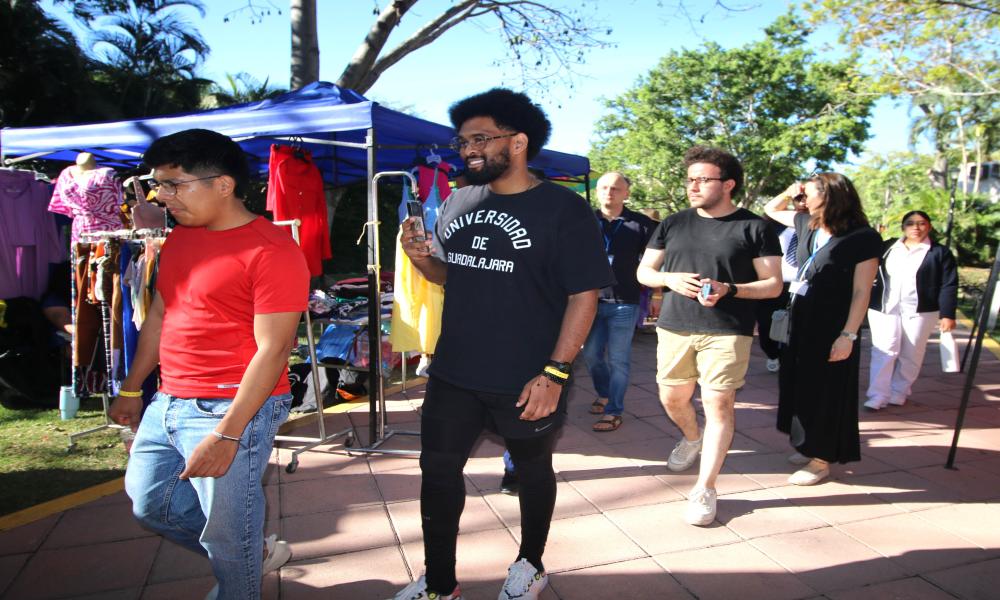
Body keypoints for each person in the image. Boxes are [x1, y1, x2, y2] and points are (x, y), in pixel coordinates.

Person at [390, 88, 613, 600]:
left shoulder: (564, 209)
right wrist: (422, 259)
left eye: (479, 139)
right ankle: (439, 584)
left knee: (532, 469)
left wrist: (555, 373)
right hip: (454, 371)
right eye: (462, 140)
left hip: (528, 374)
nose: (466, 149)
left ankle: (530, 563)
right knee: (438, 471)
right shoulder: (460, 198)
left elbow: (585, 294)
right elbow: (454, 275)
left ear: (517, 142)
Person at [108, 129, 309, 600]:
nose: (161, 196)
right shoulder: (181, 238)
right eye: (158, 184)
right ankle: (248, 553)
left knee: (226, 538)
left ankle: (239, 565)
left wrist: (228, 433)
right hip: (168, 397)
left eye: (174, 184)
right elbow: (160, 312)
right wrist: (133, 387)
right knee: (150, 505)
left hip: (231, 407)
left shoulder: (272, 250)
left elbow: (274, 350)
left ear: (223, 184)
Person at [636, 146, 782, 526]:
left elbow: (772, 285)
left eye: (703, 179)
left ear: (728, 184)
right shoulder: (673, 223)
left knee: (719, 404)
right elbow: (644, 273)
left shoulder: (756, 227)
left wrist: (730, 289)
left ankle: (706, 487)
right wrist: (668, 278)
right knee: (672, 397)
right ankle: (690, 437)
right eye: (690, 179)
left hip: (727, 330)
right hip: (674, 326)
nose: (693, 186)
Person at [764, 173, 881, 486]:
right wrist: (791, 189)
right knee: (798, 385)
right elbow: (770, 208)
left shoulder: (862, 237)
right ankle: (807, 444)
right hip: (800, 320)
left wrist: (848, 335)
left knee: (827, 391)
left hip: (833, 325)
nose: (804, 197)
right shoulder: (807, 224)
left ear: (831, 195)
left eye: (810, 191)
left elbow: (861, 292)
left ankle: (821, 459)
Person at [583, 172, 657, 432]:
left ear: (626, 193)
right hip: (588, 302)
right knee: (590, 354)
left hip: (625, 302)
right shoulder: (584, 221)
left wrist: (655, 288)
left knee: (618, 359)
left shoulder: (643, 224)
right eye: (604, 187)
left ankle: (614, 410)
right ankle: (604, 393)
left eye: (615, 188)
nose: (608, 192)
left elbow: (659, 259)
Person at [865, 210, 958, 410]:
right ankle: (877, 395)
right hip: (884, 308)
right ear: (903, 227)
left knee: (911, 352)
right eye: (910, 223)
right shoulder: (888, 247)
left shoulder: (940, 253)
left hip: (920, 310)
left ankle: (899, 391)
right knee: (884, 350)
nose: (916, 227)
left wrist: (947, 314)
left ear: (929, 227)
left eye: (921, 223)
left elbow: (949, 285)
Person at [754, 196, 809, 373]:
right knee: (766, 325)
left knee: (797, 326)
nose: (802, 203)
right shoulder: (773, 225)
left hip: (801, 286)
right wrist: (789, 192)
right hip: (774, 284)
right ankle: (772, 353)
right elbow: (770, 209)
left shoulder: (815, 225)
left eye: (806, 199)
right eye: (799, 199)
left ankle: (791, 358)